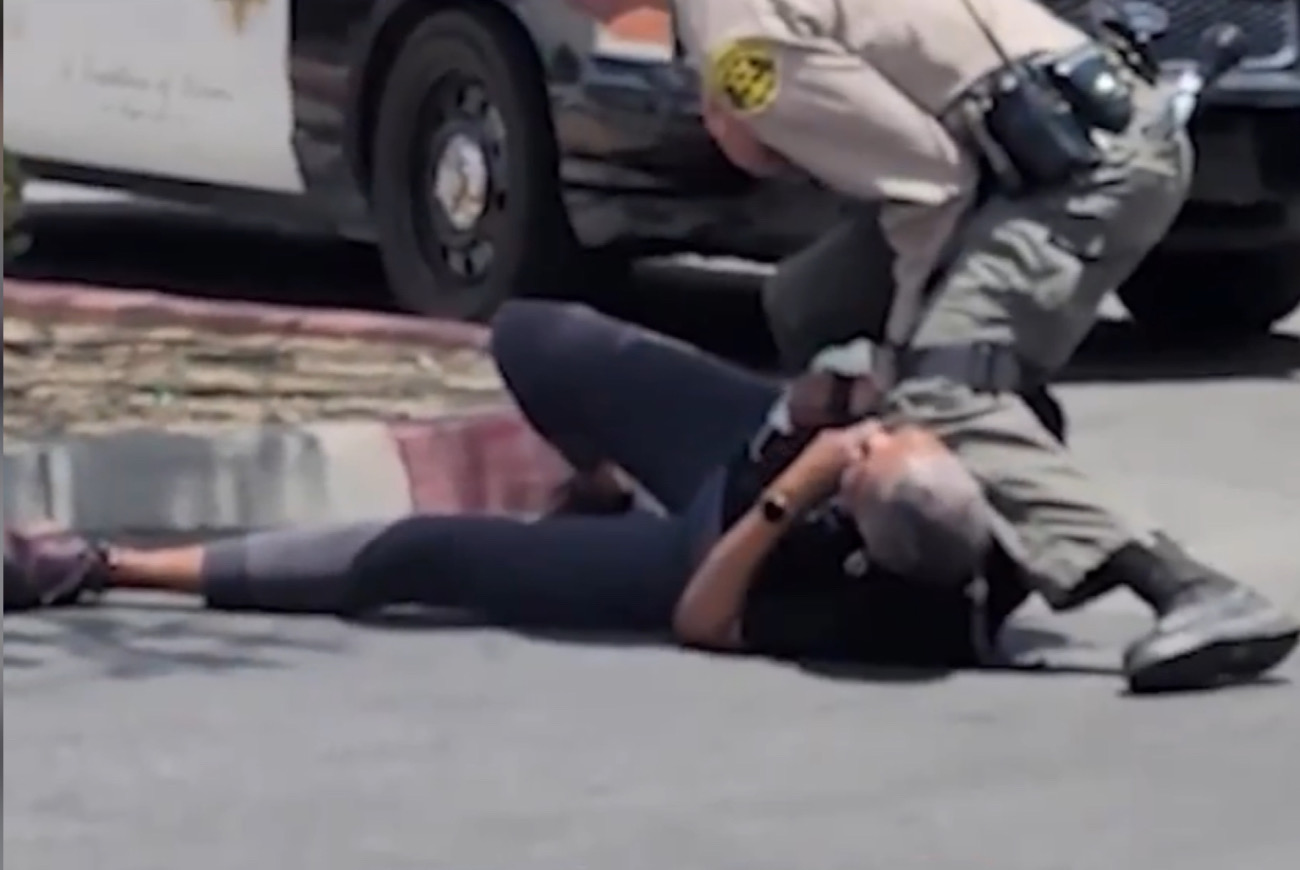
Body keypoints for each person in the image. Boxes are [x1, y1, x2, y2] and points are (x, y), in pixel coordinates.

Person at [566, 0, 1299, 691]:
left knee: (941, 389)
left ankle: (1185, 587)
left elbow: (931, 187)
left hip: (1071, 175)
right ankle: (943, 482)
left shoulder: (733, 40)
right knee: (809, 302)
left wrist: (906, 358)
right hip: (1062, 128)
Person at [4, 301, 1026, 669]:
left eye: (873, 452)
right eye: (892, 438)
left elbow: (705, 617)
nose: (875, 439)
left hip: (704, 555)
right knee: (535, 335)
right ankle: (597, 489)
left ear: (857, 519)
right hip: (738, 440)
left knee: (422, 556)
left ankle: (100, 564)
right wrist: (834, 405)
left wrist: (789, 494)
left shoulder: (878, 623)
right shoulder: (989, 510)